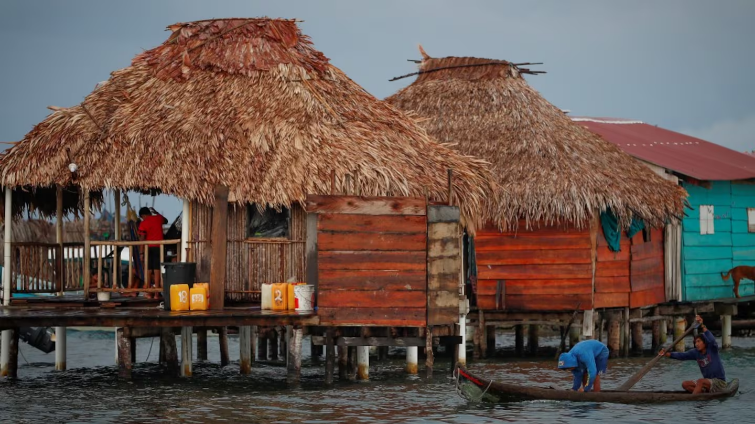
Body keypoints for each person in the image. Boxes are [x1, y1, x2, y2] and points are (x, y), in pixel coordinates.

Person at [659, 315, 726, 394]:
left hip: (719, 383)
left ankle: (694, 400)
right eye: (695, 342)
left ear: (704, 343)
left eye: (699, 341)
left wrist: (702, 325)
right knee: (685, 384)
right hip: (707, 383)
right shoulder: (695, 353)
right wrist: (667, 354)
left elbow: (711, 339)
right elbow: (682, 356)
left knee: (700, 381)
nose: (696, 344)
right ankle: (701, 394)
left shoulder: (712, 349)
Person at [137, 207, 168, 298]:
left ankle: (149, 292)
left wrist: (141, 253)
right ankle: (157, 294)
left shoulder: (143, 223)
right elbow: (166, 221)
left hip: (148, 248)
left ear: (143, 215)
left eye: (142, 217)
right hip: (159, 247)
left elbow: (142, 239)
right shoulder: (158, 218)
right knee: (157, 269)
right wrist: (157, 212)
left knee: (148, 270)